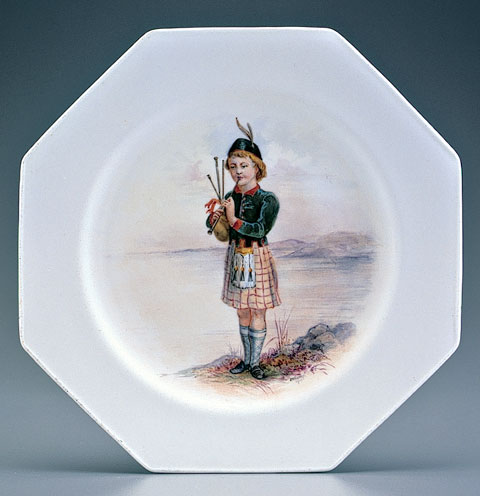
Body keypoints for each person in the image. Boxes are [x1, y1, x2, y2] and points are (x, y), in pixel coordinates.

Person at [206, 118, 281, 380]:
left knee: (258, 309)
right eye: (233, 166)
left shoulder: (267, 199)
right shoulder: (230, 197)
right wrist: (215, 219)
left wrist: (233, 218)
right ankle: (247, 361)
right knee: (242, 310)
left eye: (244, 165)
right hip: (236, 255)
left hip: (256, 255)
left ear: (257, 167)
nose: (238, 171)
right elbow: (223, 234)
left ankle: (255, 363)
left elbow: (260, 229)